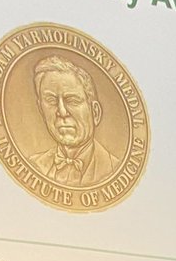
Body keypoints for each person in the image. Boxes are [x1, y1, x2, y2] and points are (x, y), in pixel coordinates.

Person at [30, 55, 120, 186]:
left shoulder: (113, 168)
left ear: (95, 112)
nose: (61, 112)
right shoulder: (34, 164)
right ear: (40, 109)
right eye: (51, 100)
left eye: (72, 101)